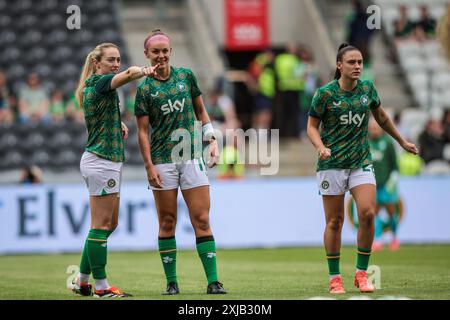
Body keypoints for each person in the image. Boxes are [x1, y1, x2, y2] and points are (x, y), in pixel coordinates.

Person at [307, 43, 418, 294]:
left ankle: (361, 274)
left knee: (368, 213)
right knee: (334, 221)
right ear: (339, 65)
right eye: (352, 62)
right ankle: (335, 277)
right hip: (331, 164)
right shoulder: (325, 94)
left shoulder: (368, 89)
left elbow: (382, 118)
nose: (357, 66)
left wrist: (401, 141)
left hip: (361, 162)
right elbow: (311, 127)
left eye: (360, 62)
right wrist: (320, 146)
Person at [135, 29, 226, 295]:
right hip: (163, 161)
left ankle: (213, 281)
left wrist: (212, 140)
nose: (161, 56)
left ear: (171, 51)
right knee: (167, 222)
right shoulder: (144, 88)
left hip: (191, 157)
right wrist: (149, 166)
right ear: (147, 54)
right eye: (155, 52)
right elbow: (142, 131)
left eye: (165, 50)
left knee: (201, 218)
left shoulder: (186, 76)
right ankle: (171, 282)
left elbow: (201, 111)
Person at [69, 42, 156, 298]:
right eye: (110, 60)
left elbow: (100, 112)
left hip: (108, 161)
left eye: (118, 59)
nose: (116, 63)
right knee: (101, 224)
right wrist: (143, 70)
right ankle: (102, 287)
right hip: (101, 161)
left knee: (109, 223)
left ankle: (82, 281)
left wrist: (115, 122)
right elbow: (128, 75)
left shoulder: (96, 85)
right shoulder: (100, 81)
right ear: (97, 63)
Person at [368, 118, 401, 251]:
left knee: (390, 212)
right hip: (372, 185)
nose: (374, 130)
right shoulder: (365, 142)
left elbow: (395, 166)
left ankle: (394, 238)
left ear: (381, 128)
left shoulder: (388, 143)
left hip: (387, 185)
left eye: (376, 127)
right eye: (372, 128)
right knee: (373, 213)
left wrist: (392, 181)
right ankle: (378, 240)